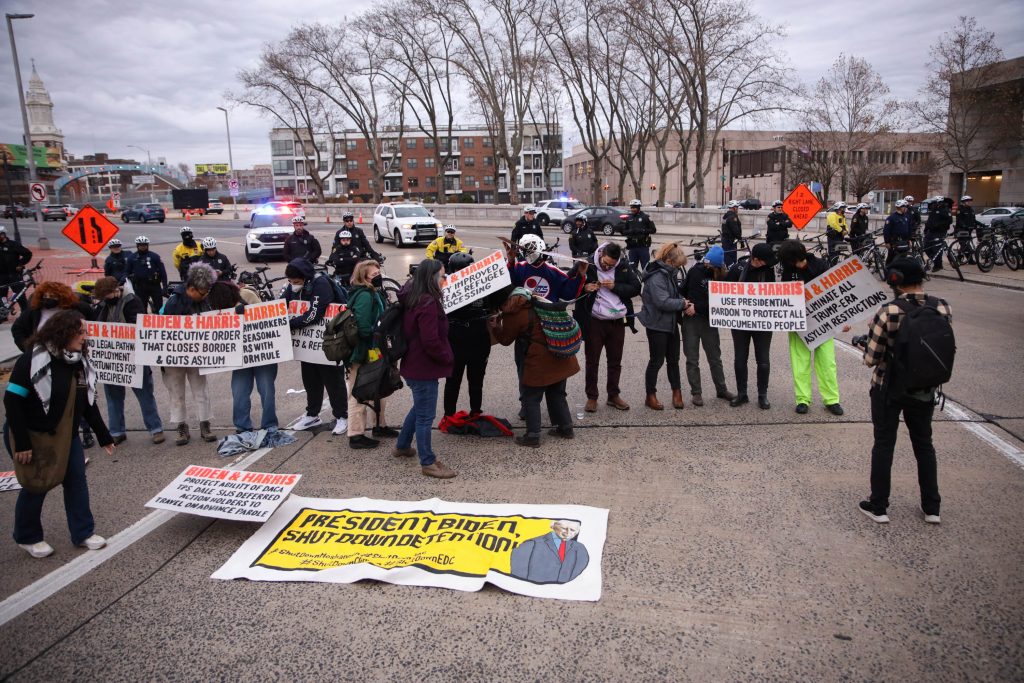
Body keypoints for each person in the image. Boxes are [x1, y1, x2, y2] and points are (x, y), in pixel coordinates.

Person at [4, 309, 114, 558]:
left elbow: (87, 403)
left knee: (76, 481)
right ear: (64, 333)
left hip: (66, 435)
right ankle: (27, 536)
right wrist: (22, 443)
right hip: (32, 434)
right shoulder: (32, 360)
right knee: (37, 485)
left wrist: (104, 436)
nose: (85, 337)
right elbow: (12, 401)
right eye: (80, 332)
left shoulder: (78, 361)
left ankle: (83, 532)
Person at [858, 257, 949, 524]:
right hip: (924, 388)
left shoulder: (889, 311)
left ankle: (879, 506)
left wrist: (868, 341)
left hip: (888, 387)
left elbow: (872, 358)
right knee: (924, 445)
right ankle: (932, 507)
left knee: (884, 444)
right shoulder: (942, 307)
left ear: (894, 280)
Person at [507, 234, 586, 418]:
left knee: (554, 369)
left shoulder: (553, 271)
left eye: (530, 248)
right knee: (523, 367)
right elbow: (508, 285)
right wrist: (510, 260)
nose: (528, 252)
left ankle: (556, 407)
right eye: (524, 249)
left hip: (548, 327)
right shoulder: (518, 268)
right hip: (525, 328)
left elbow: (568, 292)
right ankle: (526, 403)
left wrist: (580, 275)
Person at [493, 286, 578, 448]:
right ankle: (566, 428)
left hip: (538, 361)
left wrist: (496, 326)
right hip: (559, 354)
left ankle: (532, 436)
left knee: (531, 397)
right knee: (557, 394)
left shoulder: (514, 313)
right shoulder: (533, 298)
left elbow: (505, 340)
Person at [395, 259, 456, 478]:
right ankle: (427, 462)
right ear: (431, 278)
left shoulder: (413, 296)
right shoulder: (428, 302)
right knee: (425, 416)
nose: (445, 279)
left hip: (414, 364)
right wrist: (446, 357)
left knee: (419, 407)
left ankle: (402, 446)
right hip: (423, 367)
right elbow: (431, 340)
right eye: (442, 275)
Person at [91, 277, 164, 445]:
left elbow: (138, 324)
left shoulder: (132, 302)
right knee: (113, 397)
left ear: (117, 290)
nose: (106, 299)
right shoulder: (102, 305)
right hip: (111, 360)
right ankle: (116, 431)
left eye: (108, 295)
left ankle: (155, 429)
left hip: (134, 357)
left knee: (145, 394)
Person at [778, 240, 844, 416]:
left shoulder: (820, 266)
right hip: (799, 324)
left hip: (823, 322)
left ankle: (832, 400)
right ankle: (802, 399)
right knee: (800, 363)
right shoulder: (788, 270)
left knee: (827, 363)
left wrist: (843, 320)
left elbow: (836, 293)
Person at [205, 280, 280, 436]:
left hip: (262, 353)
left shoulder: (246, 295)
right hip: (240, 356)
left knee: (266, 389)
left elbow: (267, 319)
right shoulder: (219, 305)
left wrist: (247, 313)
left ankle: (269, 424)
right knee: (239, 391)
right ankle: (242, 425)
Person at [283, 257, 347, 435]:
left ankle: (342, 416)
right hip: (307, 346)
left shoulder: (321, 284)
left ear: (304, 277)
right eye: (290, 282)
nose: (292, 285)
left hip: (328, 343)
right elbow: (281, 303)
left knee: (333, 381)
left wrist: (291, 323)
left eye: (295, 282)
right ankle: (312, 414)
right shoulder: (293, 285)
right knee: (310, 380)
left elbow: (315, 314)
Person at [575, 242, 640, 412]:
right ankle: (592, 396)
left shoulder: (623, 266)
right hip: (595, 321)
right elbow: (569, 285)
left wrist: (615, 286)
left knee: (615, 361)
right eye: (605, 263)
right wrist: (584, 287)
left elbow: (636, 288)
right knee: (592, 361)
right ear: (601, 253)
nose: (606, 266)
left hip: (617, 321)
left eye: (611, 265)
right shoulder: (587, 264)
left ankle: (613, 395)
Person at [161, 262, 218, 446]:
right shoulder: (173, 302)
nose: (205, 296)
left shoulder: (203, 301)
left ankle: (205, 424)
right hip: (175, 358)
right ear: (192, 289)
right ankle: (181, 427)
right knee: (176, 393)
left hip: (197, 355)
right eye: (202, 293)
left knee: (201, 391)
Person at [344, 259, 394, 449]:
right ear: (363, 277)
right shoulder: (365, 295)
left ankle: (380, 425)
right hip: (363, 352)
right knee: (359, 393)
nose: (378, 277)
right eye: (374, 275)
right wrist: (377, 336)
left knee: (380, 388)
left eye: (378, 273)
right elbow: (364, 327)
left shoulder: (374, 292)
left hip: (375, 350)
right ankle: (356, 434)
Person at [443, 252, 498, 419]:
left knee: (476, 380)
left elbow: (495, 304)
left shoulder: (483, 286)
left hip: (478, 338)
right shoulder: (444, 288)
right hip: (455, 339)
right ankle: (449, 414)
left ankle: (476, 410)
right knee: (453, 380)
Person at [638, 242, 692, 410]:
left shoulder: (669, 272)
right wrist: (683, 303)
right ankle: (650, 395)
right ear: (669, 261)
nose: (678, 268)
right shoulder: (657, 276)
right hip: (657, 324)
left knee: (674, 361)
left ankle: (677, 393)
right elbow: (662, 301)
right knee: (656, 361)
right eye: (677, 265)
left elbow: (673, 294)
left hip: (670, 323)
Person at [681, 244, 735, 406]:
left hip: (709, 320)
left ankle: (721, 389)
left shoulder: (722, 276)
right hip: (691, 319)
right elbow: (683, 289)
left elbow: (721, 301)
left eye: (712, 266)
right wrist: (684, 304)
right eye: (708, 264)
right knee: (692, 358)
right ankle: (696, 393)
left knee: (714, 357)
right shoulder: (695, 271)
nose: (708, 267)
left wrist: (697, 307)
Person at [727, 242, 776, 409]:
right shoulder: (737, 269)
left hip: (763, 322)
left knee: (763, 360)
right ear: (755, 259)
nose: (767, 263)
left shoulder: (769, 270)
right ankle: (742, 394)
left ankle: (763, 395)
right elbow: (724, 293)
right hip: (740, 322)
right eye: (764, 261)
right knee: (740, 359)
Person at [12, 281, 94, 352]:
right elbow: (17, 328)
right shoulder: (34, 311)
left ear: (61, 297)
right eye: (45, 296)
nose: (48, 299)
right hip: (41, 352)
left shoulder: (78, 309)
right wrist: (26, 346)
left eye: (52, 296)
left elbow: (94, 324)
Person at [509, 520, 589, 584]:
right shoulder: (531, 545)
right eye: (564, 528)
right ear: (553, 526)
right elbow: (517, 577)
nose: (568, 533)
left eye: (572, 530)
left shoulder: (579, 549)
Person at [125, 236, 167, 313]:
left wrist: (165, 287)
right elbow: (127, 272)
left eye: (145, 245)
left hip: (154, 285)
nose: (143, 247)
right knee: (141, 308)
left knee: (159, 307)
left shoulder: (155, 256)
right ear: (137, 246)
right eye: (141, 245)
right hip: (140, 287)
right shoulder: (132, 258)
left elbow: (163, 272)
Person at [0, 225, 32, 314]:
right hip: (2, 275)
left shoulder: (13, 245)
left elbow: (27, 254)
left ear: (3, 235)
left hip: (14, 274)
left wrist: (20, 264)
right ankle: (3, 314)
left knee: (20, 295)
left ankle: (25, 314)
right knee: (2, 296)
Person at [622, 199, 656, 269]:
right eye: (631, 207)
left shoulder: (645, 217)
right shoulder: (629, 217)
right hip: (632, 247)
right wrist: (631, 231)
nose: (632, 209)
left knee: (645, 268)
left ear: (638, 207)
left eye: (634, 207)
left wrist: (642, 230)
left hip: (643, 246)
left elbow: (653, 230)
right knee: (632, 268)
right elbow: (624, 231)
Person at [923, 195, 952, 272]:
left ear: (939, 202)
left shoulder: (945, 209)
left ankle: (938, 265)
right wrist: (926, 229)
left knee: (936, 248)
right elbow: (929, 220)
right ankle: (934, 260)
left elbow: (949, 220)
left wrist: (938, 225)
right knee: (926, 246)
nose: (932, 204)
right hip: (931, 231)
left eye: (934, 202)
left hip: (940, 232)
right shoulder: (934, 209)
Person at [883, 200, 912, 265]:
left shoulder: (906, 216)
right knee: (891, 259)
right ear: (900, 207)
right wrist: (887, 242)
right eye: (905, 207)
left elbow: (909, 229)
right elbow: (886, 231)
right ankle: (888, 271)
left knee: (903, 258)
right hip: (894, 242)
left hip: (905, 242)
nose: (906, 208)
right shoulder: (891, 218)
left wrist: (910, 239)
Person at [954, 195, 981, 265]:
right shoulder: (960, 209)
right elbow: (959, 220)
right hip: (961, 230)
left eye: (970, 201)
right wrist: (964, 225)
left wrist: (981, 224)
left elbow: (974, 220)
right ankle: (970, 260)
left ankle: (959, 258)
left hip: (969, 230)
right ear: (963, 202)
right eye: (968, 201)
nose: (970, 202)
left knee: (965, 245)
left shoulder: (971, 209)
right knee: (965, 245)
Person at [721, 200, 743, 267]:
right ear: (734, 208)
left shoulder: (726, 216)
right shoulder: (732, 217)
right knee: (731, 258)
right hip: (731, 241)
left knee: (726, 255)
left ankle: (728, 269)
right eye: (737, 207)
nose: (738, 209)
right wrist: (741, 239)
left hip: (725, 240)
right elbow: (735, 230)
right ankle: (732, 271)